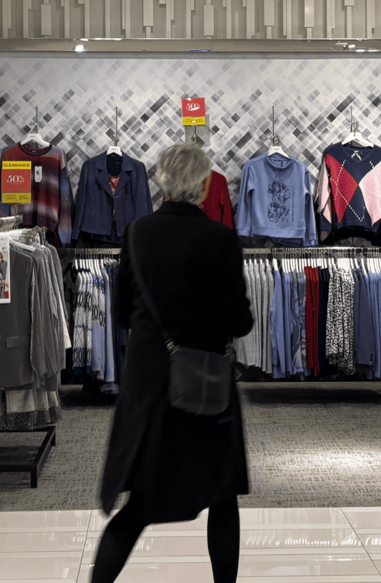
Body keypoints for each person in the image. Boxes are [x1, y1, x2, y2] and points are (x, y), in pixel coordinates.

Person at [94, 143, 254, 583]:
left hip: (150, 387)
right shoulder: (222, 239)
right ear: (205, 185)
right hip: (205, 384)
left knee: (140, 504)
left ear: (161, 182)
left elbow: (124, 312)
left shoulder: (137, 233)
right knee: (222, 497)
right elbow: (239, 322)